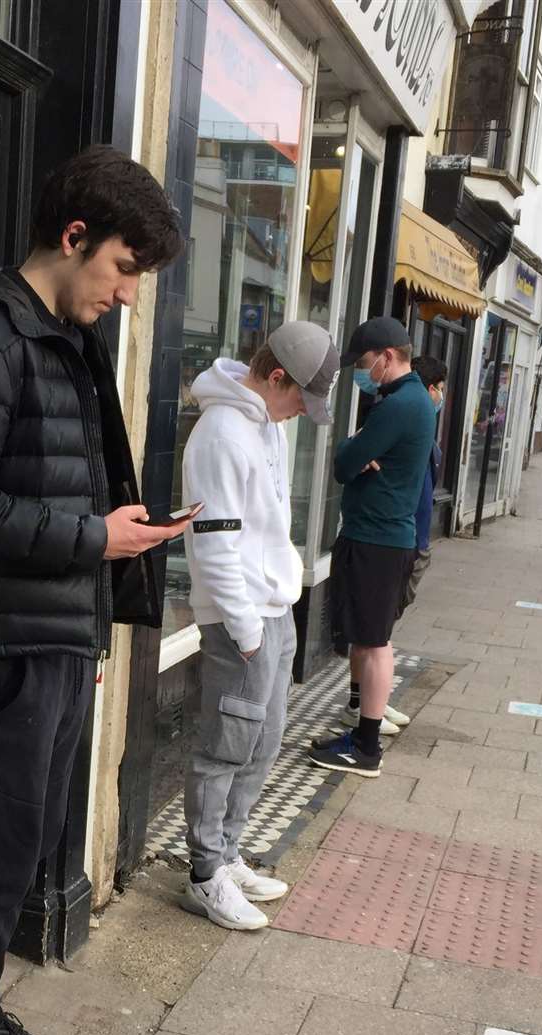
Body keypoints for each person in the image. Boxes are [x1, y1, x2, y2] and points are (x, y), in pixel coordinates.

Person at [0, 145, 186, 1035]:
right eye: (121, 269)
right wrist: (92, 541)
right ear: (73, 238)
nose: (126, 293)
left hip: (47, 635)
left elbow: (58, 486)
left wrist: (104, 577)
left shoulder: (59, 336)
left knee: (17, 845)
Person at [179, 322, 339, 931]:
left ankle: (226, 853)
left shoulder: (262, 424)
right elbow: (216, 544)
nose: (301, 412)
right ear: (276, 377)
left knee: (262, 741)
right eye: (301, 398)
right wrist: (245, 629)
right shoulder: (222, 434)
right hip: (241, 617)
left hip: (273, 610)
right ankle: (205, 873)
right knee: (225, 748)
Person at [308, 317, 435, 779]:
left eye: (364, 363)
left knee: (375, 642)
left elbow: (343, 464)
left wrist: (355, 446)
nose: (362, 373)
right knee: (368, 636)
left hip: (379, 539)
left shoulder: (400, 405)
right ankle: (359, 727)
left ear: (386, 357)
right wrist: (361, 448)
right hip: (379, 536)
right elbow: (357, 459)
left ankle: (365, 747)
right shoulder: (408, 400)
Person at [396, 354, 447, 621]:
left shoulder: (425, 429)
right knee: (382, 623)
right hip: (406, 541)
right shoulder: (408, 425)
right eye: (440, 389)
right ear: (430, 389)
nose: (442, 396)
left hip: (416, 540)